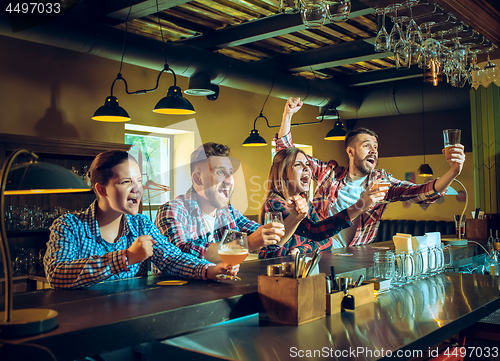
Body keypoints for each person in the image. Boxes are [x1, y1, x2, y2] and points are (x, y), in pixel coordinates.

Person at [275, 97, 466, 246]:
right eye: (367, 146)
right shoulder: (329, 173)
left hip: (354, 258)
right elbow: (286, 153)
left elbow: (420, 192)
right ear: (350, 151)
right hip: (317, 252)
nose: (373, 150)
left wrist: (453, 172)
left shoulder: (382, 184)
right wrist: (287, 115)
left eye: (375, 146)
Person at [44, 150, 237, 289]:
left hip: (131, 319)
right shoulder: (68, 225)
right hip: (83, 324)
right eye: (126, 181)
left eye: (139, 180)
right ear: (101, 189)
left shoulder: (141, 224)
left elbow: (171, 258)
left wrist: (208, 270)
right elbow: (56, 274)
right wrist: (126, 257)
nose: (137, 189)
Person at [155, 142, 285, 263]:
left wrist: (296, 217)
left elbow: (268, 238)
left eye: (230, 172)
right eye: (220, 172)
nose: (229, 181)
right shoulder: (173, 210)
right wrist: (246, 243)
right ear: (197, 179)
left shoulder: (228, 212)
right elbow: (181, 254)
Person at [258, 146, 386, 258]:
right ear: (283, 173)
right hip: (275, 275)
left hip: (297, 272)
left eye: (307, 165)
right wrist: (361, 205)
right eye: (298, 164)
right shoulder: (275, 204)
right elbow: (315, 231)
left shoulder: (305, 204)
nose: (306, 169)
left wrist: (303, 249)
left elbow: (327, 240)